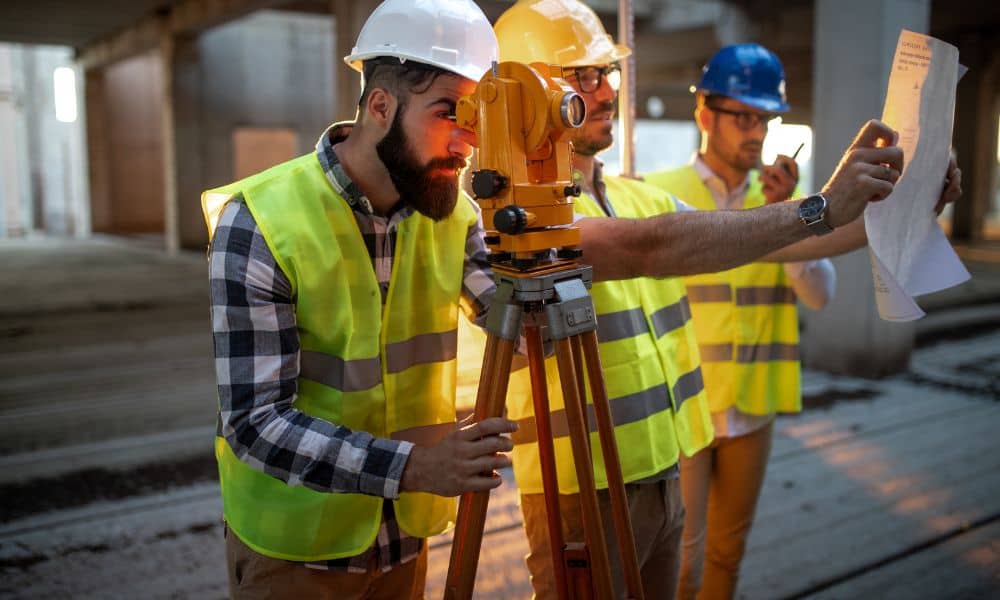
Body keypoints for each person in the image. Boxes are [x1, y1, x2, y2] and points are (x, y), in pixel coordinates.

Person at [493, 1, 962, 599]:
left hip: (665, 465)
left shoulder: (633, 197)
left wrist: (909, 204)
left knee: (715, 565)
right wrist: (817, 206)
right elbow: (651, 249)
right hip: (583, 488)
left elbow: (772, 244)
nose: (608, 90)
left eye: (608, 72)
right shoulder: (514, 215)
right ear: (522, 91)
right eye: (584, 76)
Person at [201, 1, 518, 597]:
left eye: (477, 115)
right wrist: (417, 467)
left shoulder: (450, 213)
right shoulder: (262, 221)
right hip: (296, 553)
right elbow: (256, 421)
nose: (467, 140)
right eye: (449, 112)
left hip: (404, 537)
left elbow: (520, 329)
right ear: (380, 106)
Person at [643, 44, 833, 600]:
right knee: (679, 559)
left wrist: (794, 218)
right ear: (705, 115)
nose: (756, 132)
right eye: (743, 117)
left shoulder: (781, 202)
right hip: (682, 408)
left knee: (728, 554)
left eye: (764, 119)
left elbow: (820, 295)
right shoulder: (658, 193)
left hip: (752, 405)